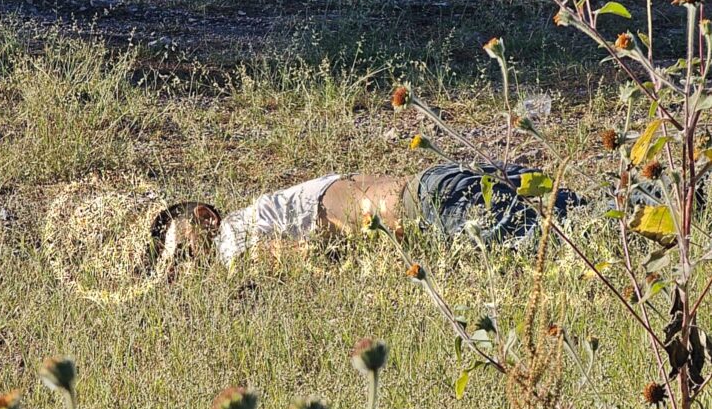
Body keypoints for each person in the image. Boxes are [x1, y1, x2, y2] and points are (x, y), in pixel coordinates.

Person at [148, 163, 583, 270]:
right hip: (437, 181)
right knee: (593, 217)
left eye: (180, 249)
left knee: (572, 244)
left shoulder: (232, 238)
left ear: (204, 215)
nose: (180, 263)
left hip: (434, 212)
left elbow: (301, 258)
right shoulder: (270, 206)